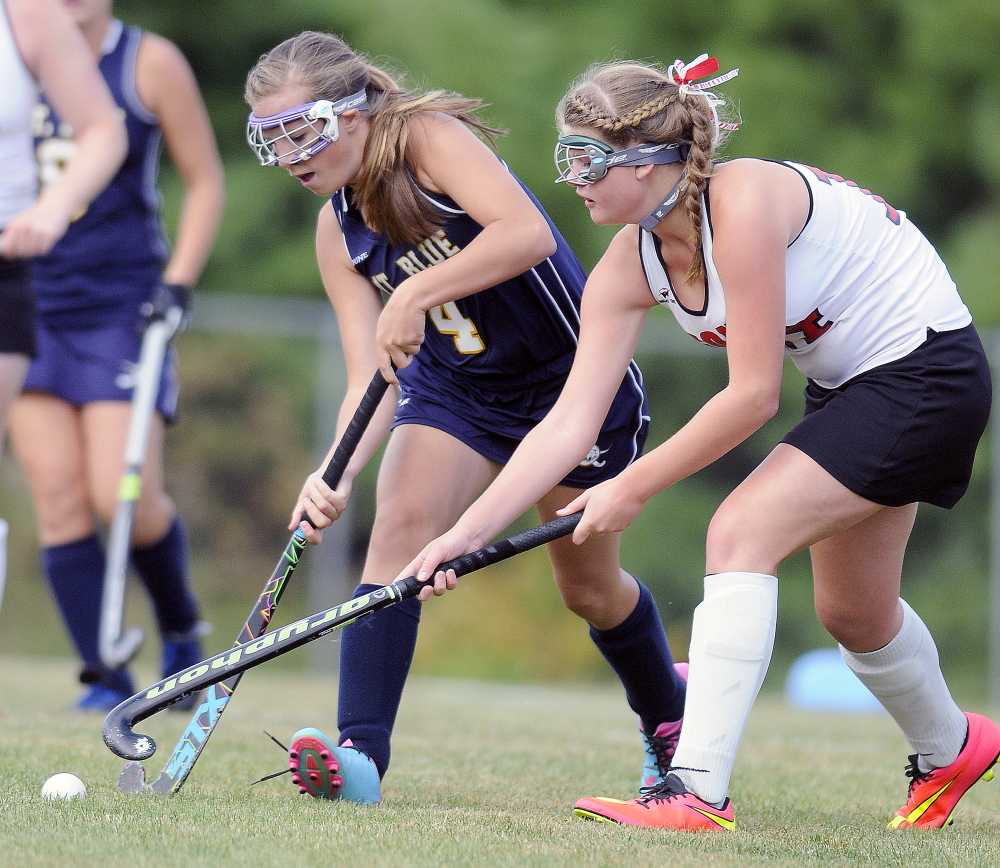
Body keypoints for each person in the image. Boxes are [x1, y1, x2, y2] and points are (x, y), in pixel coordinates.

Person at [402, 54, 1000, 831]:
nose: (570, 178)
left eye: (584, 157)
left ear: (649, 164)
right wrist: (464, 533)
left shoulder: (743, 204)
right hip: (851, 386)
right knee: (854, 612)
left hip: (925, 372)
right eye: (563, 155)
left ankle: (695, 791)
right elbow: (570, 421)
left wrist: (631, 484)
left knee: (739, 531)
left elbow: (752, 396)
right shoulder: (629, 261)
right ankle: (951, 747)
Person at [243, 31, 688, 805]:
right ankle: (360, 760)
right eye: (270, 139)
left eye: (302, 131)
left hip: (569, 386)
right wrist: (333, 473)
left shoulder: (425, 141)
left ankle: (669, 716)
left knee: (589, 590)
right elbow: (371, 376)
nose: (290, 155)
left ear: (351, 116)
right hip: (457, 396)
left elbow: (527, 234)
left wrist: (412, 294)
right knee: (398, 526)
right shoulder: (334, 232)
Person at [8, 0, 225, 711]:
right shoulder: (15, 49)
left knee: (120, 492)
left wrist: (179, 281)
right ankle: (104, 673)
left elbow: (204, 182)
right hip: (31, 302)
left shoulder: (147, 61)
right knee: (59, 497)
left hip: (117, 306)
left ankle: (180, 628)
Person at [0, 0, 125, 638]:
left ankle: (167, 634)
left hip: (14, 268)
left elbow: (104, 129)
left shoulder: (27, 17)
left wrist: (54, 207)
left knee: (101, 491)